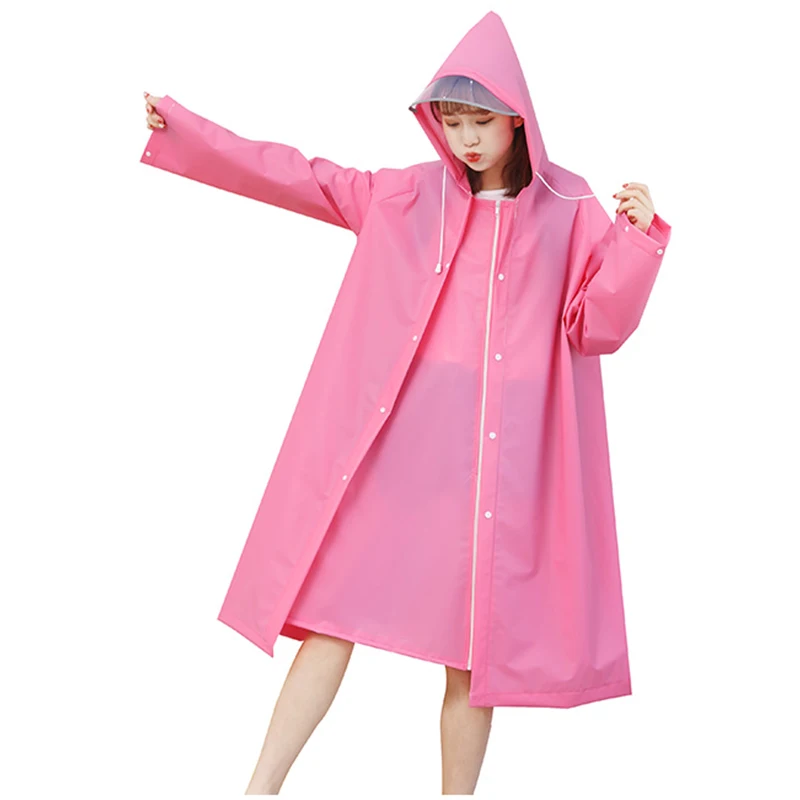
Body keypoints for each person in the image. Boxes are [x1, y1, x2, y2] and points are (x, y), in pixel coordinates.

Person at [141, 11, 670, 796]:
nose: (466, 138)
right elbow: (297, 175)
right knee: (331, 618)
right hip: (399, 461)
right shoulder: (407, 195)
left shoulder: (570, 206)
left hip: (495, 473)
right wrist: (187, 132)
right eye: (452, 121)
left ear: (517, 118)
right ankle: (259, 789)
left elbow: (598, 328)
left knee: (474, 655)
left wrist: (636, 241)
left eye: (480, 121)